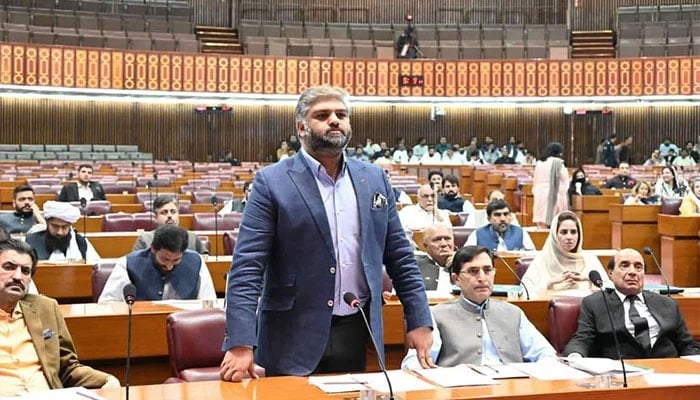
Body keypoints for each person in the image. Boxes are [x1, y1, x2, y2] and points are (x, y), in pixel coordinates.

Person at [220, 85, 433, 381]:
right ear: (301, 127)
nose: (334, 120)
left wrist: (419, 320)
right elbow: (247, 266)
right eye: (322, 115)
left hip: (357, 330)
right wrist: (241, 342)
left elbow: (401, 257)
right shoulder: (272, 182)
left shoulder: (373, 178)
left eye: (341, 114)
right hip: (292, 334)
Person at [401, 246, 557, 369]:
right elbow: (412, 364)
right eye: (473, 271)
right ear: (456, 279)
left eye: (488, 270)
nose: (482, 278)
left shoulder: (513, 313)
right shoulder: (436, 315)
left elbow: (546, 354)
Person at [0, 239, 120, 396]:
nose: (17, 276)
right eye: (9, 267)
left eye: (25, 271)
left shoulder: (45, 308)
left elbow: (67, 366)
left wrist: (106, 379)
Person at [564, 249, 700, 359]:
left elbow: (687, 344)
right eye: (624, 265)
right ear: (610, 273)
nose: (632, 272)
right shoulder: (595, 303)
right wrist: (575, 356)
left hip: (668, 372)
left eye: (638, 267)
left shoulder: (667, 303)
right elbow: (582, 339)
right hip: (622, 375)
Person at [99, 224, 216, 303]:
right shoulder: (128, 264)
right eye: (165, 259)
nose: (169, 266)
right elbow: (107, 303)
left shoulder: (196, 262)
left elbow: (209, 302)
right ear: (153, 249)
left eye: (176, 260)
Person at [521, 211, 609, 297]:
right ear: (555, 235)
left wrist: (588, 280)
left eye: (573, 232)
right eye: (564, 232)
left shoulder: (590, 258)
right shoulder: (542, 259)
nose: (569, 237)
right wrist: (549, 284)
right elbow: (524, 292)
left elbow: (608, 290)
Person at [25, 201, 100, 263]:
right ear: (47, 223)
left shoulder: (80, 242)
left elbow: (94, 266)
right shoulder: (30, 241)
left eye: (64, 227)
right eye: (55, 226)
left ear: (70, 225)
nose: (59, 232)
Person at [132, 195, 206, 254]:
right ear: (155, 217)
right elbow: (135, 264)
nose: (169, 216)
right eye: (164, 212)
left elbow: (205, 261)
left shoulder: (192, 237)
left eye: (173, 212)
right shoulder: (145, 239)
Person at [465, 200, 535, 252]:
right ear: (489, 219)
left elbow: (531, 258)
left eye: (506, 214)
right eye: (497, 215)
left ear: (510, 216)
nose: (502, 219)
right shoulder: (477, 234)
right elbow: (466, 258)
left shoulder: (521, 233)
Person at [532, 142, 569, 229]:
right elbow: (565, 180)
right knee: (556, 225)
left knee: (541, 225)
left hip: (539, 195)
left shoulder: (539, 164)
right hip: (555, 195)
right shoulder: (559, 164)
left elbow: (535, 181)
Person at [415, 225, 456, 294]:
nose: (444, 244)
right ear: (425, 246)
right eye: (437, 240)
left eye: (447, 239)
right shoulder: (414, 266)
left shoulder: (465, 263)